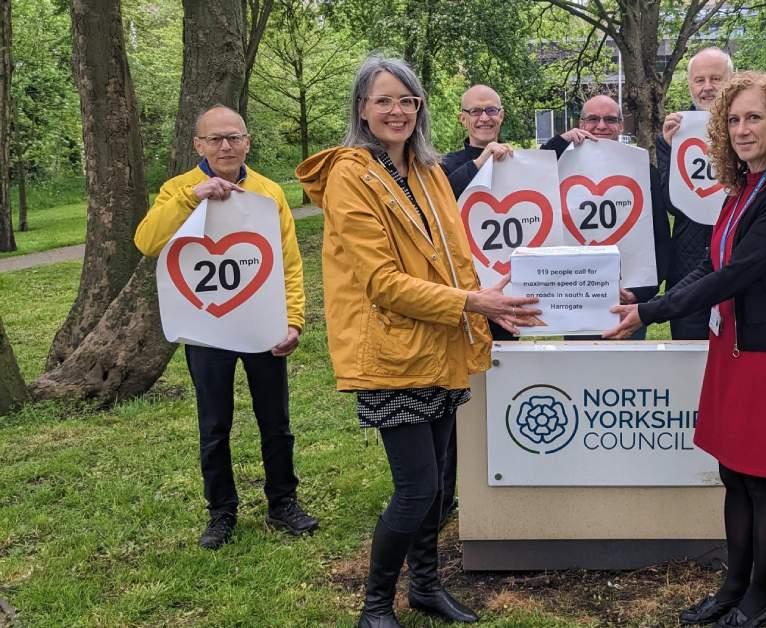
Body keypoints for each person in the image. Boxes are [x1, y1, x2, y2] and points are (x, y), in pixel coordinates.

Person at [296, 57, 540, 628]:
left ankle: (426, 588)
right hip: (390, 351)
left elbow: (452, 259)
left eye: (407, 100)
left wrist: (489, 287)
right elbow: (380, 282)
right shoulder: (351, 175)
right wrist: (473, 303)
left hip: (442, 344)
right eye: (383, 101)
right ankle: (375, 606)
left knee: (439, 488)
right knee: (416, 489)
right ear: (362, 108)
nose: (397, 111)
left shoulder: (429, 170)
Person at [605, 71, 766, 628]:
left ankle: (759, 599)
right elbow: (708, 263)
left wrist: (650, 314)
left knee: (762, 482)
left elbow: (737, 274)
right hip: (730, 350)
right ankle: (730, 589)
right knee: (731, 474)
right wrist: (650, 296)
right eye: (734, 119)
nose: (742, 129)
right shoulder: (742, 188)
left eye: (754, 118)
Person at [133, 104, 318, 550]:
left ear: (247, 142)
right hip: (206, 327)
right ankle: (221, 513)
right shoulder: (178, 189)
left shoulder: (269, 192)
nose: (225, 146)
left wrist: (293, 320)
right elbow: (148, 242)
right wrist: (190, 198)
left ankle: (283, 503)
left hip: (261, 324)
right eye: (214, 139)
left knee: (275, 421)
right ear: (198, 144)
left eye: (234, 137)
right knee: (214, 425)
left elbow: (289, 264)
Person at [438, 84, 519, 528]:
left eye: (492, 110)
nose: (485, 118)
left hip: (512, 297)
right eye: (476, 112)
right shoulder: (445, 165)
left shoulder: (520, 162)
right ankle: (449, 494)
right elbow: (439, 204)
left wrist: (568, 142)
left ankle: (512, 473)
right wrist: (480, 163)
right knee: (460, 399)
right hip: (466, 300)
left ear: (501, 114)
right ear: (462, 118)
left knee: (512, 385)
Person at [541, 94, 671, 339]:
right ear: (580, 124)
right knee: (577, 371)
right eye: (593, 119)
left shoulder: (642, 169)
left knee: (627, 372)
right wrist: (560, 141)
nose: (601, 126)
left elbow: (660, 236)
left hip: (625, 299)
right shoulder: (561, 165)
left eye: (610, 119)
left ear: (621, 126)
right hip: (577, 297)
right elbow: (534, 171)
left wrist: (640, 292)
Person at [655, 47, 735, 340]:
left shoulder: (749, 131)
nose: (708, 87)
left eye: (716, 78)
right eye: (699, 80)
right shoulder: (676, 133)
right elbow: (670, 205)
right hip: (688, 266)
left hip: (737, 261)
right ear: (690, 84)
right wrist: (666, 147)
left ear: (732, 79)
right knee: (688, 361)